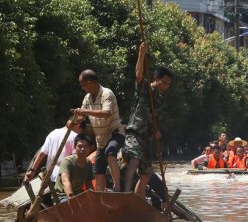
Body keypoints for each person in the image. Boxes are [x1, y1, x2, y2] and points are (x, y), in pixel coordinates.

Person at [122, 42, 174, 197]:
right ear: (156, 78)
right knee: (135, 159)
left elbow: (155, 121)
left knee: (146, 173)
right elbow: (138, 74)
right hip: (134, 133)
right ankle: (126, 193)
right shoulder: (145, 88)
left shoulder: (159, 99)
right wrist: (141, 53)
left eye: (168, 84)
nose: (165, 86)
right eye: (164, 82)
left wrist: (156, 132)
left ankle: (138, 198)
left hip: (146, 138)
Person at [74, 69, 125, 192]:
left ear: (90, 83)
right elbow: (81, 117)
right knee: (98, 169)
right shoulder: (87, 98)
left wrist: (85, 111)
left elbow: (107, 113)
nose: (83, 88)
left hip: (115, 133)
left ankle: (117, 187)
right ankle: (100, 194)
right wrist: (75, 119)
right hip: (100, 139)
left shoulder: (107, 94)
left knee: (110, 151)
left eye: (83, 85)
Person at [54, 134, 94, 203]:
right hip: (63, 196)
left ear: (90, 148)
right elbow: (65, 181)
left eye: (85, 146)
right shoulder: (67, 161)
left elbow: (89, 184)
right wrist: (72, 199)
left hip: (78, 193)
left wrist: (92, 197)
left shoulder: (88, 163)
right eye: (79, 146)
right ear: (75, 148)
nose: (82, 149)